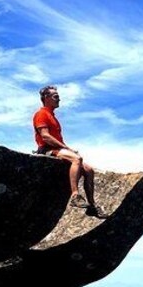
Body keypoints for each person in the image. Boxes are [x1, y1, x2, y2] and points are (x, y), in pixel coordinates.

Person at [33, 85, 106, 217]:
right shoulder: (41, 114)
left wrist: (67, 148)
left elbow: (56, 139)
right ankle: (75, 195)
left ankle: (92, 206)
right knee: (76, 159)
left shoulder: (52, 116)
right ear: (46, 98)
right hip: (47, 150)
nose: (59, 99)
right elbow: (45, 136)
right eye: (55, 97)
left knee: (89, 170)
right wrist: (66, 148)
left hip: (57, 149)